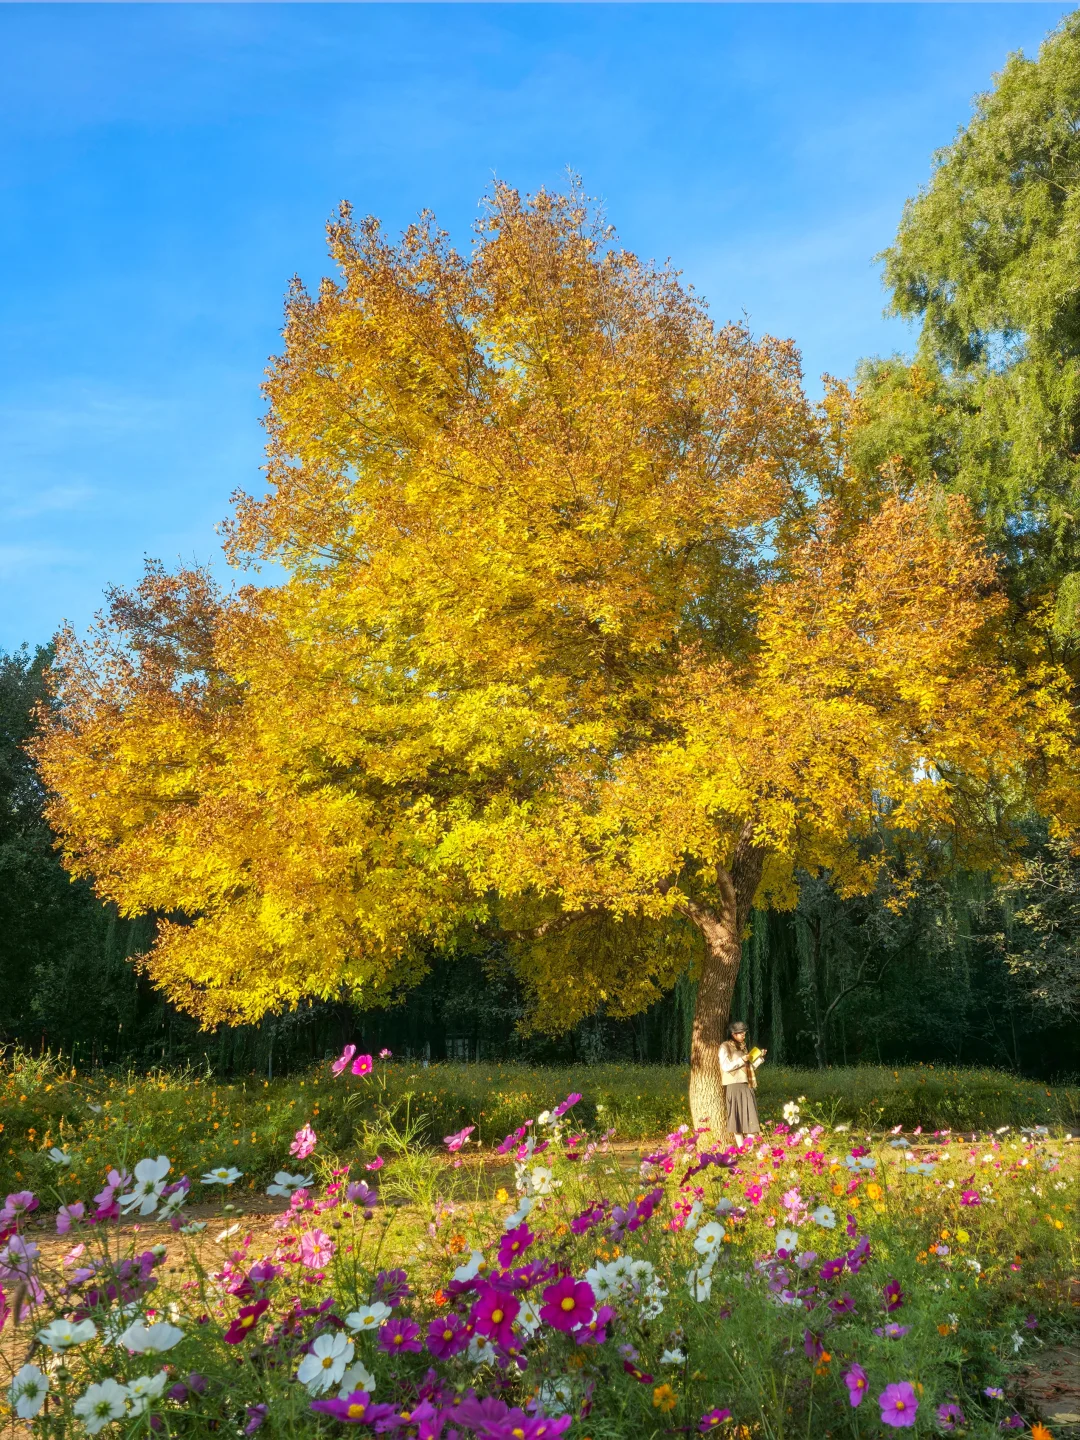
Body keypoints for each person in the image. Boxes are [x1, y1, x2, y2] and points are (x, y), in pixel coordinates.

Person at [719, 1020, 765, 1146]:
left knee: (752, 1116)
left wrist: (760, 1058)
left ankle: (748, 1148)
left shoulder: (743, 1047)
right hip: (733, 1085)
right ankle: (741, 1148)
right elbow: (725, 1067)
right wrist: (741, 1060)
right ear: (733, 1034)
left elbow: (749, 1068)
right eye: (741, 1033)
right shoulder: (725, 1047)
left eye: (744, 1033)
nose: (744, 1035)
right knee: (736, 1118)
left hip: (746, 1084)